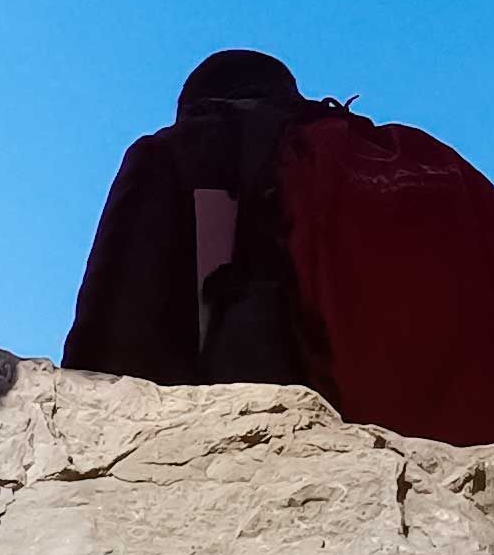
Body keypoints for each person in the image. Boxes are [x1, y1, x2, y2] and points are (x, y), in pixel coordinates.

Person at [64, 46, 324, 389]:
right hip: (366, 408)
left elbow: (119, 305)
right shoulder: (343, 157)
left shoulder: (172, 151)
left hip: (215, 403)